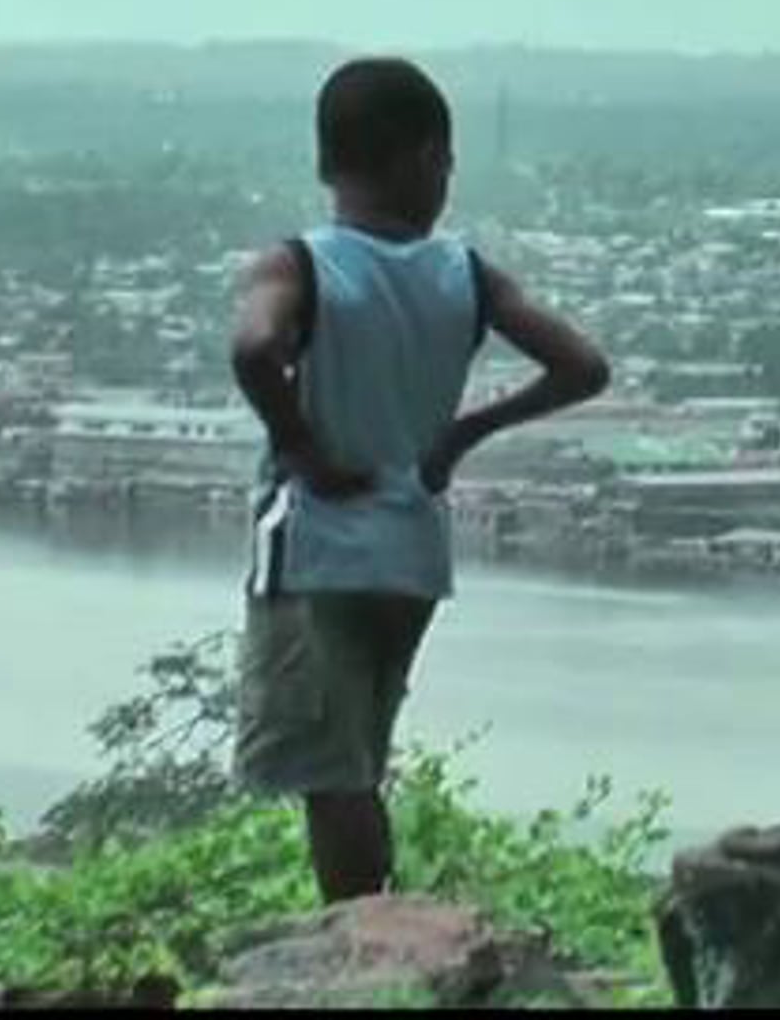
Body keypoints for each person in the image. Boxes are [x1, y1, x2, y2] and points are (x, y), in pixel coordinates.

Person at [227, 56, 611, 903]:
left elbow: (254, 347)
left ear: (326, 162)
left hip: (318, 549)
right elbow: (583, 367)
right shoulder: (466, 274)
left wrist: (300, 446)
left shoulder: (297, 266)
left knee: (331, 776)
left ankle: (360, 935)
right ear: (430, 159)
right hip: (410, 552)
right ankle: (378, 925)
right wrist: (463, 433)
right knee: (359, 761)